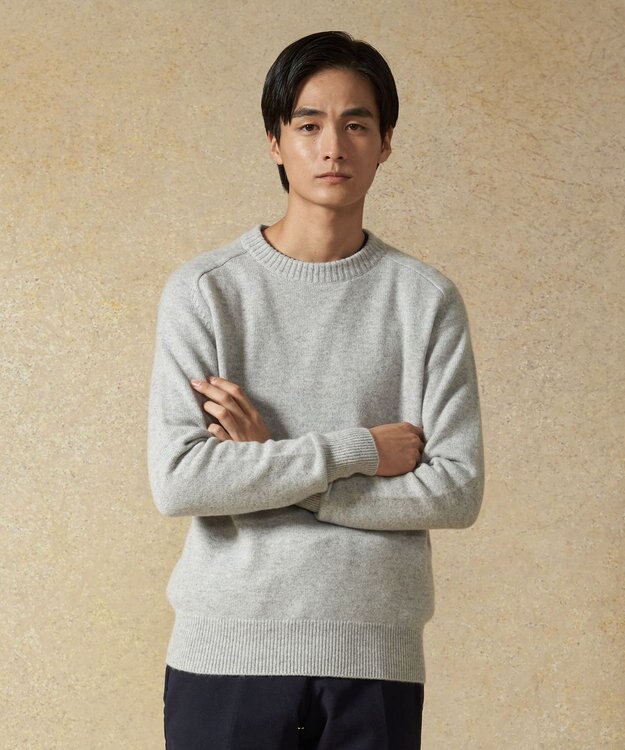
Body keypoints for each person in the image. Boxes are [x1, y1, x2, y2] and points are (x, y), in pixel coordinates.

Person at [148, 30, 484, 749]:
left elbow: (455, 491)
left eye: (356, 124)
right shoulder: (206, 291)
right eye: (308, 125)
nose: (332, 147)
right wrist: (356, 451)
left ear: (385, 143)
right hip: (226, 651)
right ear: (275, 141)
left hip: (373, 656)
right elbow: (180, 481)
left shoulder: (425, 301)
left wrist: (268, 460)